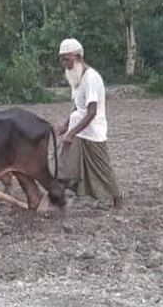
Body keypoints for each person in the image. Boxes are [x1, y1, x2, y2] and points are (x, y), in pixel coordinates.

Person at [55, 38, 123, 209]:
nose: (64, 63)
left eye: (67, 59)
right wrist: (66, 125)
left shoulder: (91, 78)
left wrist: (70, 133)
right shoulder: (75, 76)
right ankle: (56, 195)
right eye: (62, 59)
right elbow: (78, 107)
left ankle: (118, 198)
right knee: (65, 162)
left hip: (93, 131)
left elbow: (91, 111)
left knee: (102, 167)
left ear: (78, 57)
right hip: (78, 129)